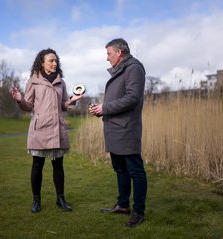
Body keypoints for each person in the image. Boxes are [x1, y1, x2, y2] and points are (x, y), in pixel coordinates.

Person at [11, 48, 83, 213]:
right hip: (40, 128)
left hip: (57, 127)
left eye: (56, 61)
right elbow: (28, 106)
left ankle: (61, 199)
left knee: (58, 165)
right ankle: (36, 200)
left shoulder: (61, 82)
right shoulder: (33, 81)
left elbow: (64, 105)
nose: (54, 63)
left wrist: (73, 100)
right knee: (37, 164)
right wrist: (20, 100)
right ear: (42, 63)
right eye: (51, 60)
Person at [89, 38, 147, 227]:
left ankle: (138, 212)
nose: (107, 58)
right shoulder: (123, 68)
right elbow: (119, 99)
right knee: (120, 169)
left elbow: (132, 98)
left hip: (127, 129)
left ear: (119, 52)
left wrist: (105, 107)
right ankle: (123, 205)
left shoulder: (134, 68)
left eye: (109, 53)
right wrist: (102, 110)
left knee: (135, 171)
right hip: (115, 129)